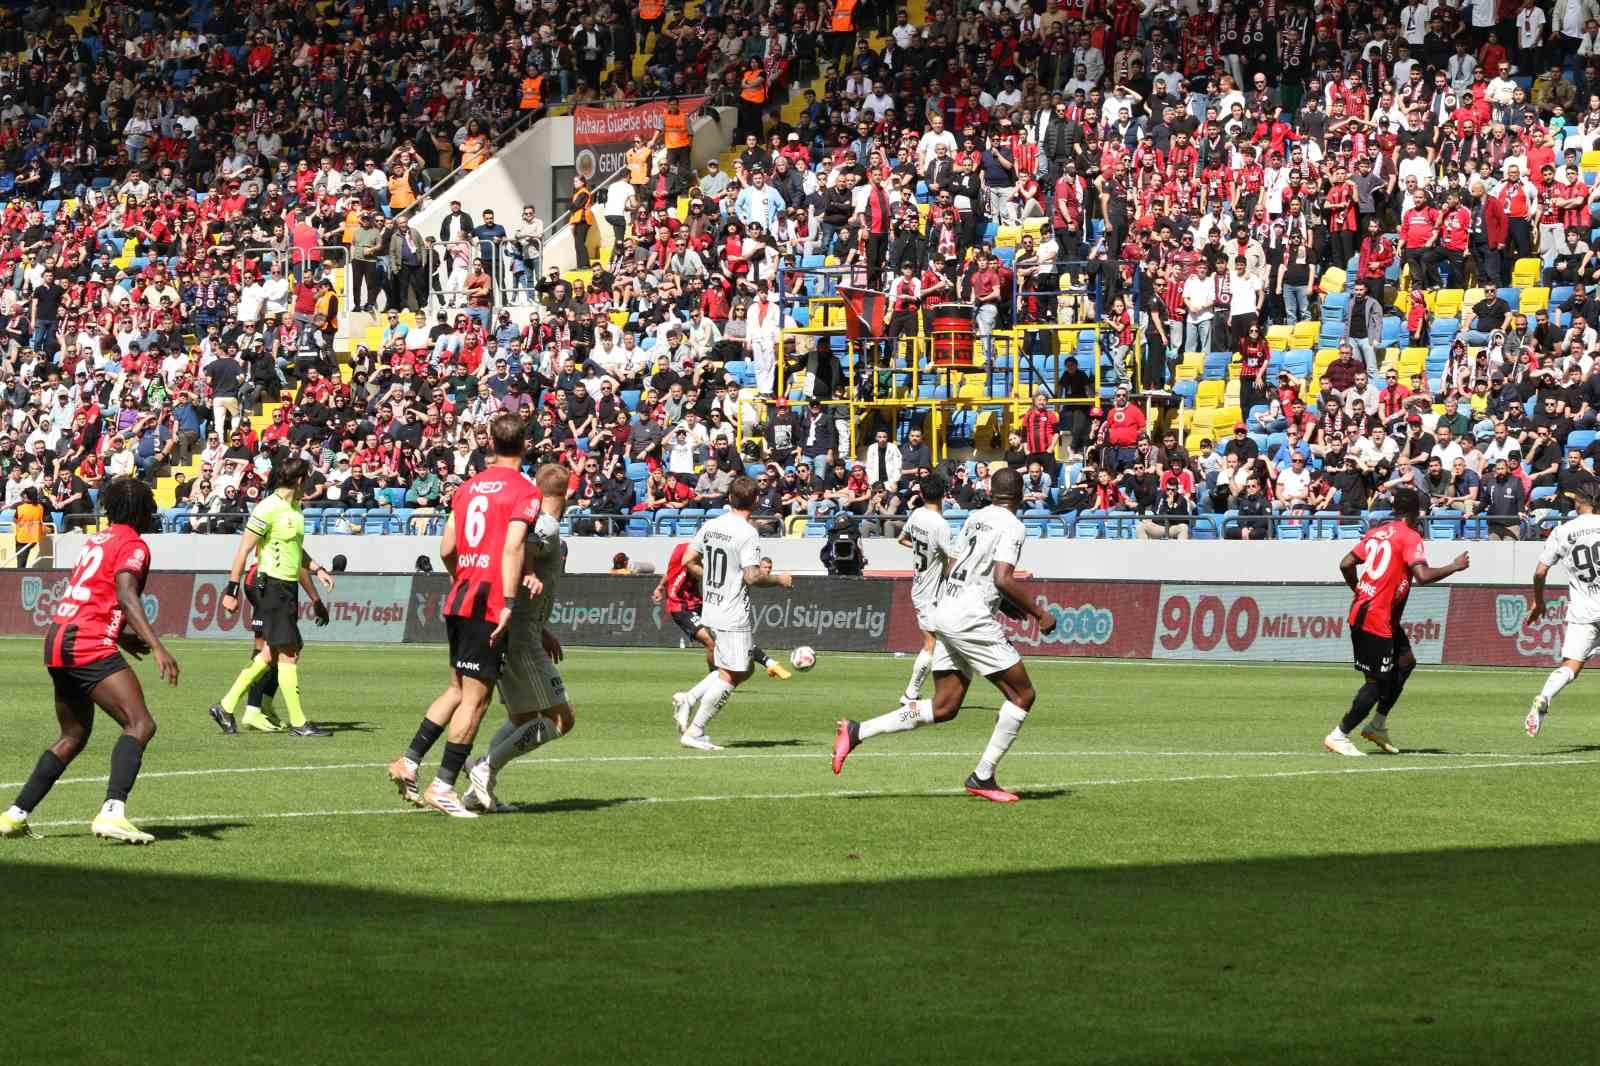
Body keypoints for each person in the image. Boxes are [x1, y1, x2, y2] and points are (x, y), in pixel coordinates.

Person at [831, 468, 1059, 802]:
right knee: (1022, 694)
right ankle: (983, 776)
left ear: (990, 492)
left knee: (945, 706)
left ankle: (857, 731)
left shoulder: (976, 516)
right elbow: (1002, 578)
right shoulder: (1014, 526)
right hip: (970, 617)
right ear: (1021, 497)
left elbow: (960, 565)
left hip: (947, 606)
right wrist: (1040, 613)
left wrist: (1005, 605)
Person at [0, 478, 179, 844]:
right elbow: (126, 595)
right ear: (140, 510)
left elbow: (95, 596)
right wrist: (157, 645)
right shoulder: (133, 544)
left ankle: (14, 815)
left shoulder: (96, 539)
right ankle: (113, 812)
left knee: (73, 735)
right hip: (87, 644)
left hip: (57, 638)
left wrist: (122, 636)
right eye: (149, 508)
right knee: (140, 724)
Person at [389, 413, 542, 818]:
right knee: (476, 699)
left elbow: (445, 548)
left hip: (461, 595)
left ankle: (408, 762)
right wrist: (508, 601)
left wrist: (467, 576)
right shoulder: (525, 491)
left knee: (457, 688)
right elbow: (512, 548)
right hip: (488, 601)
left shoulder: (468, 487)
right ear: (525, 445)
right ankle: (443, 786)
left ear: (489, 442)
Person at [1323, 487, 1470, 757]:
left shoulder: (1378, 530)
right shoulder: (1410, 537)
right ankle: (1339, 734)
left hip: (1374, 613)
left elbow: (1346, 563)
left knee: (1406, 661)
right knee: (1376, 683)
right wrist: (1454, 566)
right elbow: (1423, 576)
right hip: (1375, 619)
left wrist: (1359, 590)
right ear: (1417, 512)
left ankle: (1378, 724)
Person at [462, 464, 575, 813]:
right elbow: (519, 554)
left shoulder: (528, 520)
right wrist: (526, 572)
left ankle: (477, 788)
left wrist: (541, 627)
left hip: (520, 628)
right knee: (560, 719)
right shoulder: (546, 524)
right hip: (520, 635)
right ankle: (486, 767)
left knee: (524, 718)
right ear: (567, 495)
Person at [209, 456, 336, 738]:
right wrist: (231, 590)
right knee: (288, 653)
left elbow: (296, 550)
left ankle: (226, 705)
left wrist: (317, 569)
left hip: (287, 586)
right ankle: (299, 722)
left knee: (271, 652)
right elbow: (243, 550)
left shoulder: (294, 509)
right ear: (301, 480)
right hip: (272, 586)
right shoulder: (268, 508)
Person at [672, 476, 794, 750]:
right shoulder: (747, 532)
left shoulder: (712, 524)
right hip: (732, 610)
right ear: (755, 501)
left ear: (729, 499)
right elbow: (752, 577)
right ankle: (695, 731)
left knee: (744, 667)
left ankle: (688, 699)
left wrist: (714, 576)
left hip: (712, 605)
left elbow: (687, 560)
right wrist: (778, 579)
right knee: (733, 672)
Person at [654, 539, 790, 681]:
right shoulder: (683, 549)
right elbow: (672, 571)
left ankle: (769, 663)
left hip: (699, 603)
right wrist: (661, 586)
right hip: (679, 606)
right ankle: (714, 680)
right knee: (711, 641)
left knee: (730, 636)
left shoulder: (710, 553)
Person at [1524, 486, 1600, 736]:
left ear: (1578, 502)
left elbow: (1539, 571)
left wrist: (1539, 602)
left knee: (1571, 666)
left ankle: (1544, 696)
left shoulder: (1562, 531)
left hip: (1583, 611)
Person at [897, 474, 953, 704]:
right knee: (931, 644)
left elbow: (901, 539)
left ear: (921, 494)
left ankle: (945, 687)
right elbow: (954, 560)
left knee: (944, 642)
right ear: (943, 495)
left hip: (922, 586)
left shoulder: (917, 514)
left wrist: (924, 549)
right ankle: (910, 694)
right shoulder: (941, 525)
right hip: (929, 593)